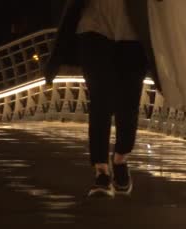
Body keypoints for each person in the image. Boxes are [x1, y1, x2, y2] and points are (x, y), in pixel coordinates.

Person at [45, 0, 160, 198]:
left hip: (134, 33)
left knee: (129, 101)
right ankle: (101, 172)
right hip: (94, 29)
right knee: (100, 100)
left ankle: (120, 158)